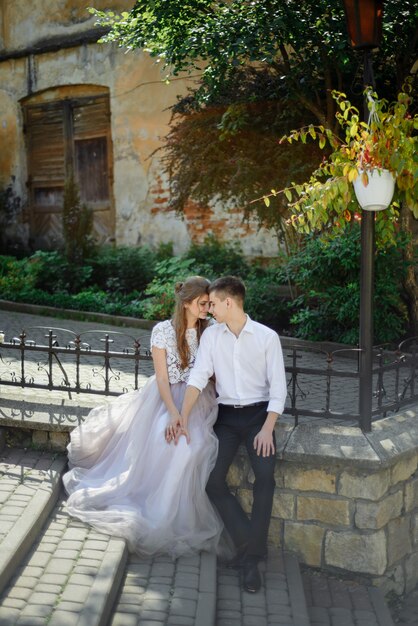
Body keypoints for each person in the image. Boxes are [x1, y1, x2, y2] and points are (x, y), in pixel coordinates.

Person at [63, 276, 225, 558]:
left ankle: (170, 513)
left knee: (194, 444)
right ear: (186, 303)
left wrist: (185, 412)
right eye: (202, 303)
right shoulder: (162, 331)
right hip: (164, 399)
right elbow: (162, 378)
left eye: (209, 304)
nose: (207, 309)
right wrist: (173, 414)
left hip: (198, 399)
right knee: (162, 435)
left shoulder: (209, 330)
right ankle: (147, 503)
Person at [177, 276, 287, 593]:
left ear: (229, 302)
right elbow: (198, 376)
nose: (209, 309)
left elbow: (278, 390)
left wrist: (268, 428)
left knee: (265, 477)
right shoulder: (212, 336)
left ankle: (250, 561)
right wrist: (182, 416)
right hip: (225, 418)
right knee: (213, 482)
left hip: (257, 417)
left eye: (212, 303)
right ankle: (252, 546)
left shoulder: (267, 338)